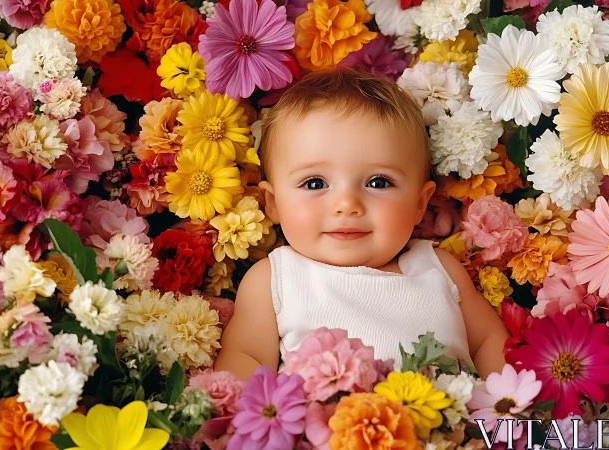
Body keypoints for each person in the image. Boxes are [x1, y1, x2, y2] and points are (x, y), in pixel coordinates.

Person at [214, 67, 510, 382]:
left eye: (378, 182)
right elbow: (244, 357)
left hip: (446, 411)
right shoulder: (276, 279)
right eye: (315, 183)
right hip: (328, 413)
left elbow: (490, 341)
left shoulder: (438, 268)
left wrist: (508, 401)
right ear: (273, 203)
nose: (347, 204)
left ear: (419, 203)